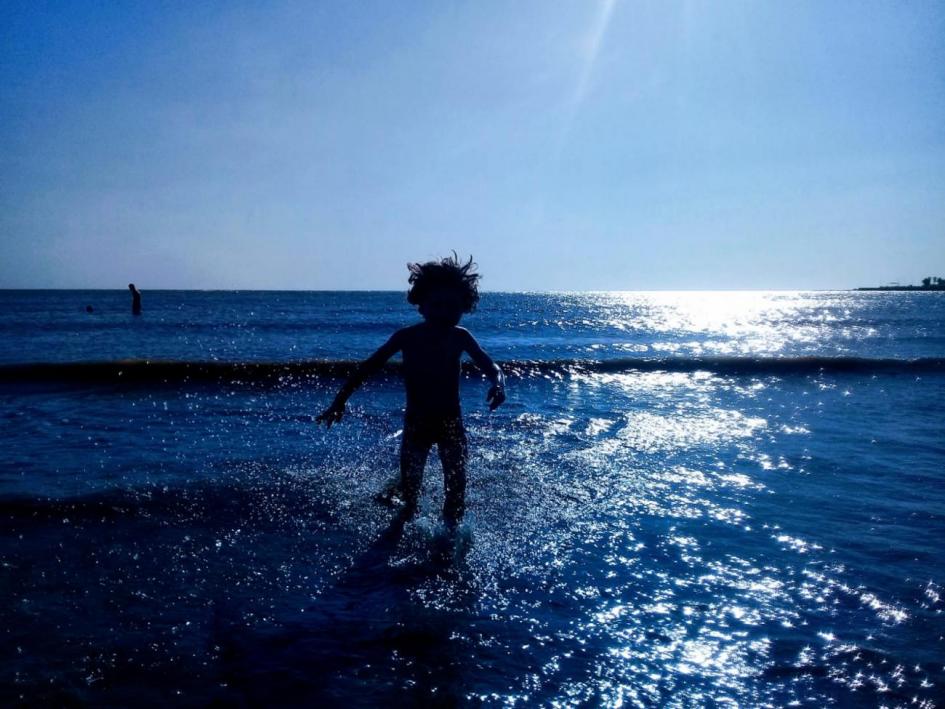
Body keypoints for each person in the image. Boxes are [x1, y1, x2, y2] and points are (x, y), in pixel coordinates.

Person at [317, 254, 506, 528]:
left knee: (456, 489)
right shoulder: (407, 337)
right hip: (417, 424)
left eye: (452, 307)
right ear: (422, 305)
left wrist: (498, 383)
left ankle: (448, 542)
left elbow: (491, 366)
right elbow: (368, 367)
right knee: (410, 497)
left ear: (464, 306)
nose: (444, 313)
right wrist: (340, 401)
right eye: (437, 305)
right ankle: (398, 526)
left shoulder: (460, 337)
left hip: (451, 423)